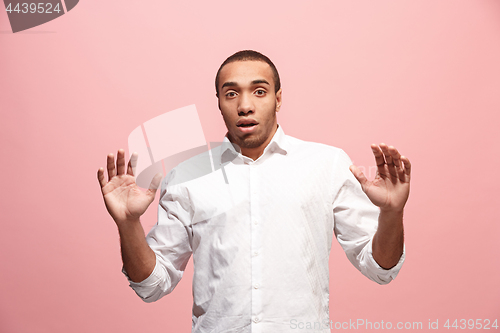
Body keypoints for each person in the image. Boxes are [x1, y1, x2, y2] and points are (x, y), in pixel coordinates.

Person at [97, 50, 411, 332]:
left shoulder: (327, 164)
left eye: (259, 91)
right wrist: (128, 224)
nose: (245, 106)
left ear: (278, 98)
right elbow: (152, 286)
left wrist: (392, 212)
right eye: (231, 93)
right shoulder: (186, 176)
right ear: (218, 102)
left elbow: (380, 268)